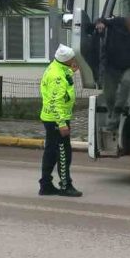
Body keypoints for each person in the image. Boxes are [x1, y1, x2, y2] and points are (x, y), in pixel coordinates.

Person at [39, 45, 82, 197]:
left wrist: (71, 71)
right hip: (57, 120)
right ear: (66, 60)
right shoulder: (57, 76)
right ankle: (65, 185)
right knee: (64, 153)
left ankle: (45, 185)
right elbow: (55, 102)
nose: (74, 60)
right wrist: (62, 124)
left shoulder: (56, 68)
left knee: (51, 152)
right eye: (72, 58)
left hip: (51, 118)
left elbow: (63, 79)